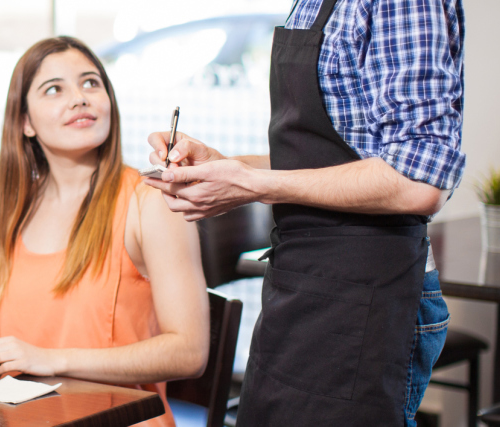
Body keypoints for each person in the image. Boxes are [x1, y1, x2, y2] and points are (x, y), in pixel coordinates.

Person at [144, 0, 464, 425]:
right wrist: (225, 165)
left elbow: (418, 181)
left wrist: (251, 184)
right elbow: (340, 159)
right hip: (299, 285)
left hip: (368, 295)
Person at [0, 36, 210, 427]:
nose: (79, 98)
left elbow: (190, 351)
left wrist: (49, 356)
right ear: (25, 122)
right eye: (54, 89)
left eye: (90, 83)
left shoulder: (149, 201)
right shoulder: (13, 212)